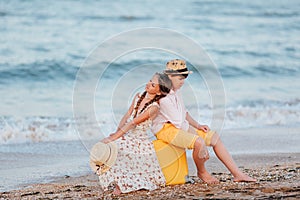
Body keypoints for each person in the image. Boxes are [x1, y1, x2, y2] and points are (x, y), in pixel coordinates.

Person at [152, 59, 256, 184]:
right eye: (180, 78)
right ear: (169, 77)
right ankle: (202, 172)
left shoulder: (176, 92)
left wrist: (198, 125)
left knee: (214, 138)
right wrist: (200, 142)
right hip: (165, 129)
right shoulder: (164, 97)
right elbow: (178, 121)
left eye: (184, 78)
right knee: (199, 143)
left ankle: (237, 174)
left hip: (178, 126)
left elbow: (184, 113)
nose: (183, 82)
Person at [93, 72, 172, 195]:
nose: (148, 84)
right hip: (127, 134)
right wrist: (117, 131)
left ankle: (122, 184)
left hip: (139, 140)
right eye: (150, 80)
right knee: (110, 148)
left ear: (159, 92)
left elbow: (133, 123)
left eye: (153, 84)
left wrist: (114, 138)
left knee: (116, 146)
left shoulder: (154, 108)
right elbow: (128, 115)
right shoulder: (138, 95)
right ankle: (116, 180)